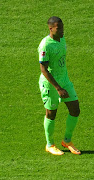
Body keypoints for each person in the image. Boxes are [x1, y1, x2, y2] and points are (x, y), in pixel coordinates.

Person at [38, 16, 81, 155]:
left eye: (62, 27)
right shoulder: (46, 45)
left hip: (65, 81)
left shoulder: (62, 39)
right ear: (51, 29)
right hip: (50, 84)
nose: (62, 30)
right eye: (59, 28)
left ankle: (67, 141)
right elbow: (43, 69)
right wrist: (58, 88)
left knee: (75, 109)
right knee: (51, 113)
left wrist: (63, 84)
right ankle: (50, 144)